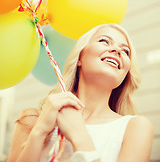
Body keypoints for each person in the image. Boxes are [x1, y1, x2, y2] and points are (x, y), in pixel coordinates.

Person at [7, 23, 153, 162]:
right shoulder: (31, 120)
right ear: (79, 58)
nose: (117, 51)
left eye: (126, 51)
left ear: (126, 74)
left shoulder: (136, 128)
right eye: (104, 41)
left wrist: (79, 135)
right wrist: (40, 131)